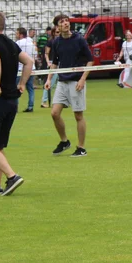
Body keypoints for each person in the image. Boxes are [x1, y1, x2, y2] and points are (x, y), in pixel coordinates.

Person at [0, 12, 33, 194]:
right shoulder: (11, 43)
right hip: (12, 102)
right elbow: (29, 62)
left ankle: (12, 176)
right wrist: (22, 84)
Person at [48, 14, 91, 158]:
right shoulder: (56, 42)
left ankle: (81, 148)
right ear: (57, 26)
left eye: (67, 21)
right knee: (54, 113)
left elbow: (90, 61)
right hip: (62, 81)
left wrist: (82, 79)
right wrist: (49, 79)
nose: (66, 23)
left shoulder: (79, 39)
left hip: (76, 81)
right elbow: (55, 62)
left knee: (78, 115)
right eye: (62, 22)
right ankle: (64, 141)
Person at [14, 27, 37, 112]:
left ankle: (15, 107)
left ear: (20, 34)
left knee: (16, 88)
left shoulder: (18, 43)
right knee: (30, 89)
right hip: (31, 69)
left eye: (17, 33)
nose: (16, 35)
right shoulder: (31, 43)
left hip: (20, 69)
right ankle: (30, 106)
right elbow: (35, 55)